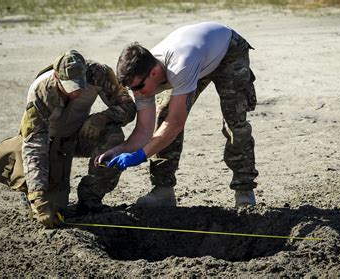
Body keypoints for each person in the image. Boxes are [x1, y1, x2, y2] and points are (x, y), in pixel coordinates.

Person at [95, 22, 258, 208]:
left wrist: (141, 155)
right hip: (198, 58)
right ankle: (163, 190)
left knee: (235, 123)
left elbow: (175, 123)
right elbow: (143, 131)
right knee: (163, 115)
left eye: (138, 87)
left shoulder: (179, 67)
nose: (137, 93)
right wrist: (120, 150)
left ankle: (244, 189)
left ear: (154, 73)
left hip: (229, 52)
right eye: (132, 89)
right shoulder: (141, 80)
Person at [20, 49, 136, 228]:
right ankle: (29, 190)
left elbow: (128, 107)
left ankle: (90, 198)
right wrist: (39, 198)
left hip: (78, 136)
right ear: (57, 79)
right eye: (71, 87)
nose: (76, 92)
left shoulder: (99, 73)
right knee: (52, 210)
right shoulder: (40, 92)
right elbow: (34, 146)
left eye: (79, 85)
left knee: (112, 136)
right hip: (48, 144)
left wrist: (101, 118)